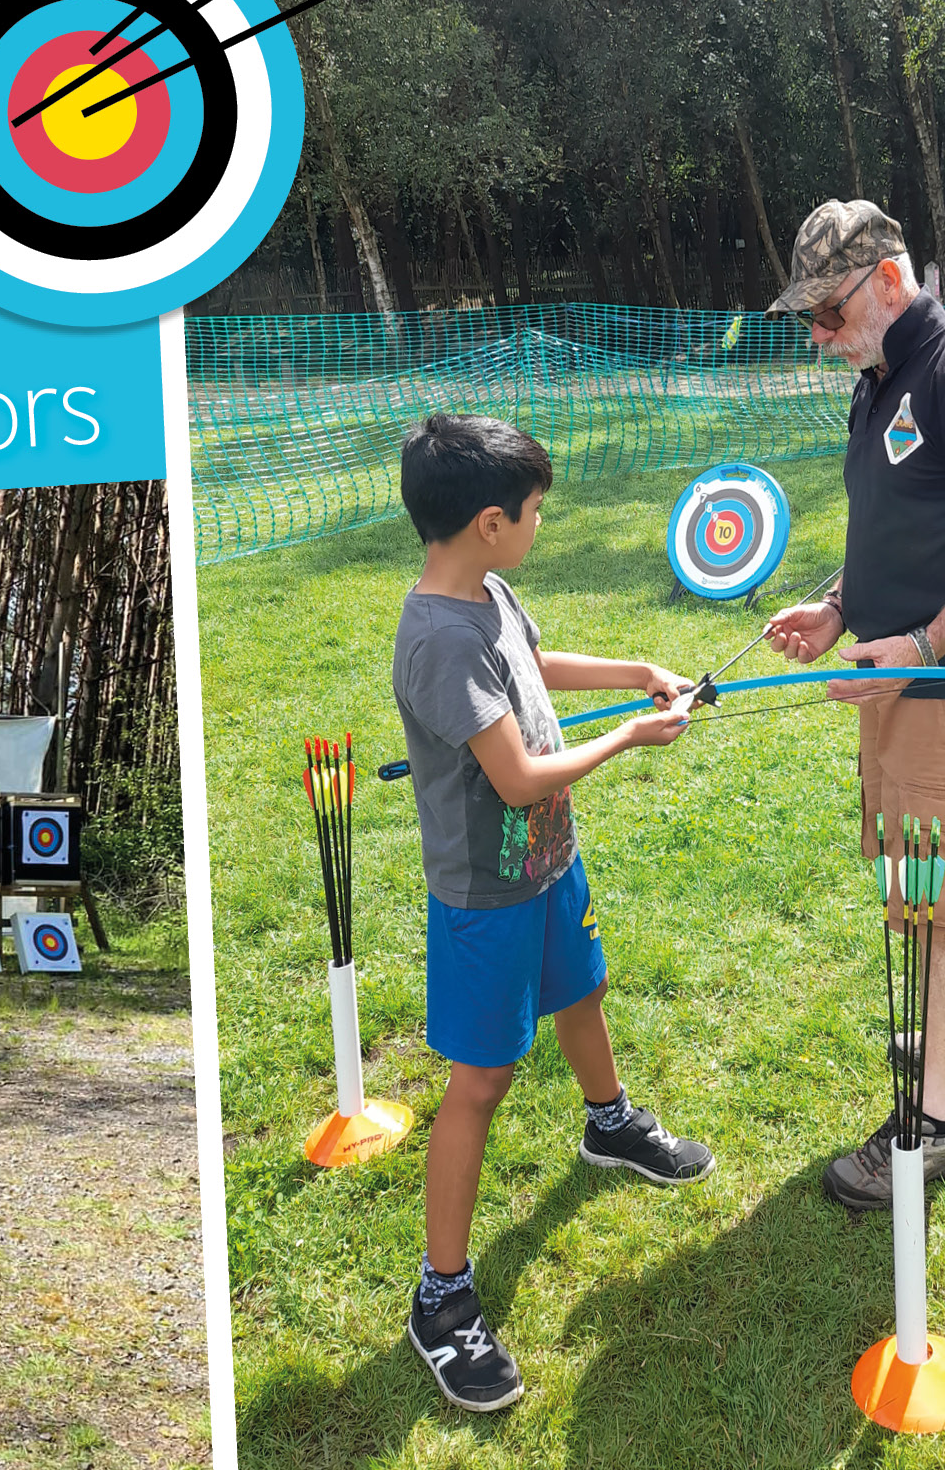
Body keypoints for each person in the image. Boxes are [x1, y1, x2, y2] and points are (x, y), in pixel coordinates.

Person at [392, 412, 715, 1413]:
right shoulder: (437, 639)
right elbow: (524, 777)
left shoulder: (486, 590)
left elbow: (532, 662)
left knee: (583, 988)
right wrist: (631, 735)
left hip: (547, 870)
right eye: (535, 514)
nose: (540, 526)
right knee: (481, 1082)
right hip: (487, 897)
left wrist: (635, 671)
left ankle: (608, 1121)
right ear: (490, 520)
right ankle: (441, 1298)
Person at [761, 200, 945, 1211]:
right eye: (808, 318)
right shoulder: (881, 374)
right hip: (898, 675)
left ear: (889, 279)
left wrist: (925, 646)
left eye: (830, 311)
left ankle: (932, 1122)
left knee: (940, 891)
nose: (819, 336)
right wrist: (840, 607)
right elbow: (897, 518)